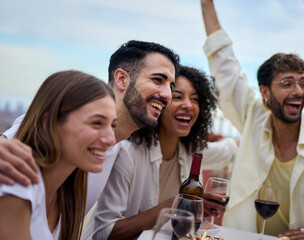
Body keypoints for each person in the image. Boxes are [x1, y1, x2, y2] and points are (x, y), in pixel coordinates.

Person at [200, 0, 304, 239]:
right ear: (265, 92)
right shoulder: (254, 119)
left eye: (303, 83)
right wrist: (206, 3)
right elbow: (225, 67)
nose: (298, 91)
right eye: (287, 83)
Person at [0, 40, 180, 215]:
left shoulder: (115, 149)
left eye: (171, 86)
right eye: (158, 80)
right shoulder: (57, 128)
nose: (167, 95)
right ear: (122, 79)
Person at [82, 65, 238, 240]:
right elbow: (102, 233)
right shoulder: (128, 154)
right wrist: (172, 206)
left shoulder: (191, 152)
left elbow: (229, 150)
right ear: (159, 103)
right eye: (178, 97)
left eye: (195, 99)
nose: (188, 105)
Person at [0, 70, 117, 239]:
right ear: (48, 123)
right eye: (97, 123)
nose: (111, 139)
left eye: (112, 125)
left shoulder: (65, 195)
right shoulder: (18, 186)